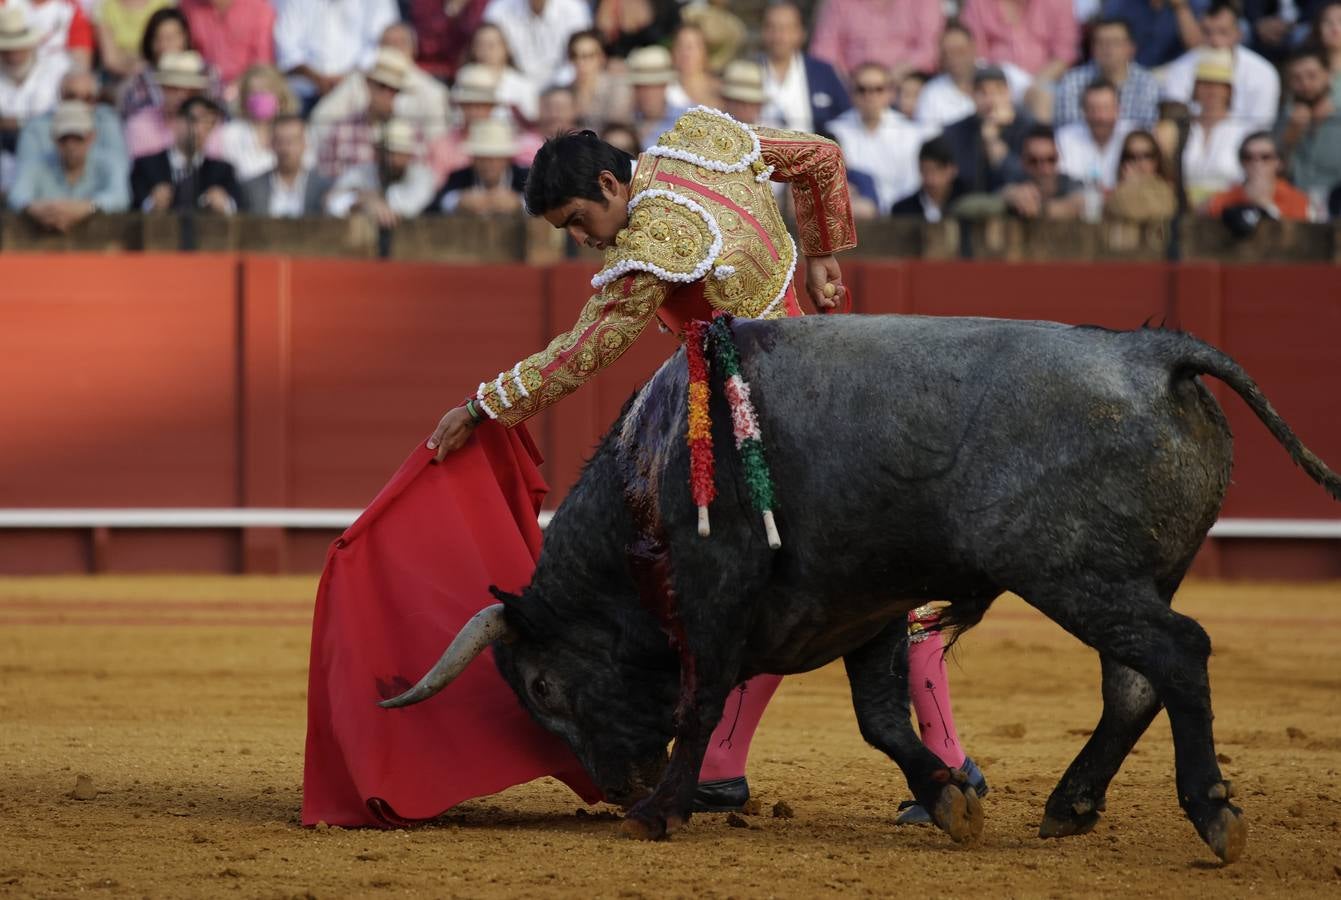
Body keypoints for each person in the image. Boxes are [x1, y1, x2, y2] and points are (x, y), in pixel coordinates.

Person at [828, 62, 936, 212]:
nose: (869, 96)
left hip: (902, 217)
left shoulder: (910, 133)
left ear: (890, 93)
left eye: (877, 89)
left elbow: (913, 184)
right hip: (856, 218)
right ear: (851, 93)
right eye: (862, 90)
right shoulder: (835, 133)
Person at [312, 29, 451, 142]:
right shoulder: (357, 81)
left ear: (413, 49)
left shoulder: (433, 92)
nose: (394, 49)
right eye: (387, 43)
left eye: (400, 43)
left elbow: (437, 142)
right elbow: (321, 119)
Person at [1160, 1, 1281, 131]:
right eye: (1207, 32)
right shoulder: (1180, 68)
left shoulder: (1263, 72)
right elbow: (1174, 117)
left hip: (1243, 145)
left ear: (1239, 34)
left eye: (1223, 32)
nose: (1215, 41)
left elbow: (1261, 126)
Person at [7, 99, 129, 227]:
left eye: (78, 138)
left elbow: (120, 197)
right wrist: (34, 208)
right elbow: (17, 195)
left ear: (91, 137)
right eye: (64, 139)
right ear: (54, 139)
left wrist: (87, 208)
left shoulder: (108, 163)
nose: (71, 145)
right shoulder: (37, 164)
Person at [13, 68, 127, 197]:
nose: (79, 104)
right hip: (47, 207)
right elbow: (23, 182)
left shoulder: (107, 120)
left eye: (87, 98)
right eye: (71, 97)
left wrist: (86, 207)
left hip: (96, 209)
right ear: (60, 96)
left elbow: (120, 175)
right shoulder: (35, 127)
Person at [274, 0, 400, 109]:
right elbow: (285, 48)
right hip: (303, 92)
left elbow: (382, 44)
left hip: (358, 94)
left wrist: (347, 80)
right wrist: (317, 79)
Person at [130, 94, 241, 214]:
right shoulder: (146, 165)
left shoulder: (222, 170)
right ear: (177, 120)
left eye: (209, 123)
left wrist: (224, 204)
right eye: (194, 120)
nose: (200, 129)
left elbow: (239, 206)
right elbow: (133, 206)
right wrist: (152, 203)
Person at [313, 47, 409, 180]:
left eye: (395, 90)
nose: (388, 94)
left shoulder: (413, 133)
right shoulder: (342, 130)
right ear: (368, 85)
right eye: (382, 86)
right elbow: (326, 182)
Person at [915, 20, 1031, 129]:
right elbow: (928, 139)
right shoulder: (931, 94)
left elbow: (1037, 93)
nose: (953, 58)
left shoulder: (1004, 73)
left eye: (960, 51)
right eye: (947, 53)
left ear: (973, 48)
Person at [758, 0, 850, 136]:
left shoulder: (822, 73)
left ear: (801, 33)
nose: (779, 36)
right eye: (772, 28)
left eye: (786, 29)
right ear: (763, 32)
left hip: (811, 153)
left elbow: (845, 116)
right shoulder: (746, 70)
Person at [325, 117, 437, 225]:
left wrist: (369, 200)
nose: (392, 159)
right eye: (388, 152)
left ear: (408, 155)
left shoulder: (422, 176)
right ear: (377, 152)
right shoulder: (362, 172)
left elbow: (408, 208)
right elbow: (332, 204)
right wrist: (364, 199)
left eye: (399, 153)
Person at [116, 8, 222, 119]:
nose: (164, 44)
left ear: (185, 37)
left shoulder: (206, 73)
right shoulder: (140, 79)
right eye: (158, 38)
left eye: (171, 37)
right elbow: (132, 119)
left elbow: (219, 114)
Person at [939, 66, 1031, 193]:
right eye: (982, 92)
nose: (990, 100)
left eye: (998, 92)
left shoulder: (1027, 127)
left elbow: (1024, 177)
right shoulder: (954, 132)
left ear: (1008, 93)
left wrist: (992, 140)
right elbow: (960, 179)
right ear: (972, 95)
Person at [1054, 17, 1160, 127]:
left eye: (1115, 42)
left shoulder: (1147, 84)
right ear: (1092, 48)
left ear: (1131, 48)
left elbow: (1147, 131)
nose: (1108, 48)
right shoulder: (1072, 82)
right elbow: (1068, 131)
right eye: (1101, 42)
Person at [1179, 49, 1253, 207]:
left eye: (1218, 85)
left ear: (1229, 91)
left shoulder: (1244, 130)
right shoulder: (1182, 127)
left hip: (1229, 208)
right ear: (1196, 89)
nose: (1211, 91)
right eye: (1205, 84)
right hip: (1183, 206)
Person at [809, 0, 944, 80]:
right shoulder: (839, 2)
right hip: (851, 86)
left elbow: (930, 47)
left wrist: (889, 77)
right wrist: (847, 80)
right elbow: (824, 49)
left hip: (909, 82)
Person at [0, 5, 69, 160]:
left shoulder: (57, 68)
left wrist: (17, 122)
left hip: (47, 150)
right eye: (7, 50)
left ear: (30, 45)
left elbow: (60, 117)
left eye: (18, 48)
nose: (13, 56)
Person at [123, 50, 219, 159]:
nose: (182, 95)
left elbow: (213, 165)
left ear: (197, 92)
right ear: (162, 88)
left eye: (189, 90)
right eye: (174, 88)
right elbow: (143, 168)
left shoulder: (210, 125)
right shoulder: (140, 123)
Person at [1274, 47, 1341, 197]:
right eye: (1296, 78)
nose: (1305, 84)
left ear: (1328, 75)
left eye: (1312, 76)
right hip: (1295, 204)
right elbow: (1274, 172)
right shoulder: (1283, 118)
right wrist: (1290, 137)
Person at [482, 0, 592, 91]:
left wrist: (553, 89)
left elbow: (579, 56)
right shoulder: (499, 8)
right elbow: (488, 50)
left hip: (564, 88)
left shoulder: (574, 9)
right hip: (512, 86)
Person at [218, 64, 301, 182]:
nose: (259, 97)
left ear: (281, 97)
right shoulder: (230, 134)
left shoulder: (296, 131)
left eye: (265, 91)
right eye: (253, 93)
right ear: (244, 99)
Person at [239, 113, 332, 217]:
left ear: (305, 144)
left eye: (292, 141)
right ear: (272, 144)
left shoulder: (325, 188)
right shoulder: (251, 188)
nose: (286, 149)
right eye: (280, 141)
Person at [1204, 130, 1310, 219]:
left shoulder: (1297, 200)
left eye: (1265, 157)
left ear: (1279, 162)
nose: (1256, 163)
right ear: (1242, 162)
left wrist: (1266, 206)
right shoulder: (1224, 199)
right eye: (1248, 157)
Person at [432, 117, 527, 213]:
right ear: (473, 159)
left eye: (495, 157)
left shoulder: (526, 177)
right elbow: (438, 202)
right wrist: (459, 201)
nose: (489, 164)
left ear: (507, 159)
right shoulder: (458, 176)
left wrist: (518, 202)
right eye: (482, 158)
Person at [178, 0, 275, 88]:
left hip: (245, 90)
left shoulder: (258, 9)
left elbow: (262, 63)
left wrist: (238, 86)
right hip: (199, 88)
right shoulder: (187, 6)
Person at [1056, 79, 1133, 190]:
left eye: (1106, 109)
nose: (1100, 117)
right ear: (1084, 111)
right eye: (1093, 109)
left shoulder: (1132, 136)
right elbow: (1063, 180)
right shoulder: (1065, 138)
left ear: (1118, 110)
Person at [464, 21, 538, 123]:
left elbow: (530, 124)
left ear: (506, 48)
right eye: (480, 45)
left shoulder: (523, 87)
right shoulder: (463, 82)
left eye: (491, 45)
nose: (485, 52)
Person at [1101, 0, 1207, 69]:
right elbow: (1106, 40)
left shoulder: (1193, 4)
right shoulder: (1120, 4)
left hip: (1174, 74)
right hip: (1130, 70)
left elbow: (1196, 48)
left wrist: (1181, 7)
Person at [564, 29, 632, 131]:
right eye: (574, 56)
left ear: (601, 58)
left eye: (588, 56)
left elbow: (616, 127)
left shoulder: (617, 88)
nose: (580, 62)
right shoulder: (565, 92)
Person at [1104, 128, 1179, 220]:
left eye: (1147, 155)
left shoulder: (1167, 190)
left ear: (1156, 159)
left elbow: (1149, 213)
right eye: (1131, 156)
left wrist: (1132, 186)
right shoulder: (1116, 192)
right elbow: (1115, 210)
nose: (1140, 163)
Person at [92, 0, 175, 84]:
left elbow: (171, 44)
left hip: (163, 72)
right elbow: (111, 61)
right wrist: (140, 69)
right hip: (122, 79)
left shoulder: (164, 4)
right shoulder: (105, 8)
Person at [407, 0, 489, 81]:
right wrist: (450, 11)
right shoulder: (424, 3)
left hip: (463, 71)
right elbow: (427, 44)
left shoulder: (480, 4)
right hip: (424, 70)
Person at [890, 135, 964, 220]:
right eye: (925, 171)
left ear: (951, 170)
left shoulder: (967, 204)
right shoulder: (903, 211)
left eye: (936, 171)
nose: (930, 179)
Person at [625, 44, 683, 150]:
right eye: (641, 87)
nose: (648, 93)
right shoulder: (626, 119)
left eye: (654, 86)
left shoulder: (684, 121)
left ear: (665, 85)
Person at [666, 22, 719, 110]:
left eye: (691, 47)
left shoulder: (720, 90)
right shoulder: (666, 90)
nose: (685, 53)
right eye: (680, 46)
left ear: (704, 52)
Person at [718, 60, 767, 125]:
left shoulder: (770, 131)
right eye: (738, 102)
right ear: (725, 101)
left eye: (751, 103)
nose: (746, 109)